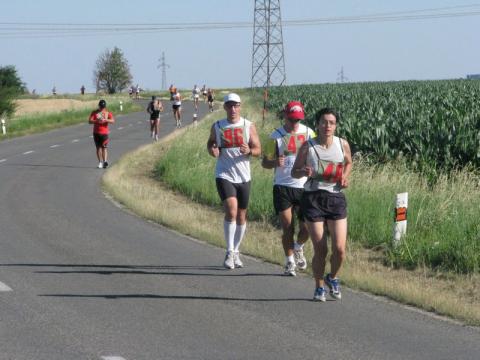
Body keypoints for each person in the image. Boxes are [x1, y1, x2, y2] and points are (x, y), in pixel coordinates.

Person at [291, 107, 352, 301]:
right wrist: (304, 172)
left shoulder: (342, 144)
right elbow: (294, 172)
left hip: (335, 198)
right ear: (317, 124)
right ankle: (318, 287)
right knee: (321, 249)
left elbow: (349, 162)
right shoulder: (308, 147)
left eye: (331, 123)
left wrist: (344, 177)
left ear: (336, 126)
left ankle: (332, 277)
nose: (327, 126)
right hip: (313, 198)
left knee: (340, 250)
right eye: (324, 122)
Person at [207, 93, 261, 269]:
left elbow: (258, 149)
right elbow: (211, 144)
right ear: (224, 107)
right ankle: (229, 251)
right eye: (229, 106)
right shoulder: (217, 126)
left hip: (244, 176)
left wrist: (249, 151)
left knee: (242, 216)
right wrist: (212, 150)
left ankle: (236, 251)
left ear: (240, 106)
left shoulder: (248, 125)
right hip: (224, 174)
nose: (233, 109)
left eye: (236, 105)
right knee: (231, 210)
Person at [262, 101, 315, 276]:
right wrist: (274, 162)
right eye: (292, 119)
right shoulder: (275, 136)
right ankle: (289, 261)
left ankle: (299, 246)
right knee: (287, 228)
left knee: (308, 226)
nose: (294, 123)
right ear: (285, 116)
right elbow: (264, 162)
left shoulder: (309, 133)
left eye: (298, 119)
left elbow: (317, 155)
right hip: (282, 186)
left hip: (304, 186)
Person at [88, 99, 115, 169]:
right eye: (101, 107)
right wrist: (96, 120)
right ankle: (100, 162)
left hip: (104, 133)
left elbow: (113, 121)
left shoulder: (107, 113)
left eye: (103, 107)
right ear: (99, 106)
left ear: (105, 107)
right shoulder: (94, 112)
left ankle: (105, 161)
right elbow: (89, 121)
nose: (102, 109)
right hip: (96, 132)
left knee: (104, 147)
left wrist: (106, 120)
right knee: (98, 148)